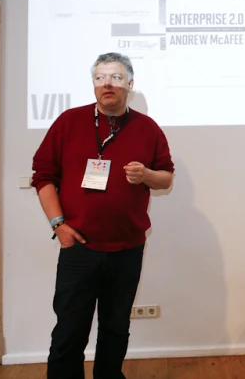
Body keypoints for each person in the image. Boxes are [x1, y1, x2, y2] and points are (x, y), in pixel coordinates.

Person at [32, 52, 174, 379]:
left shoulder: (147, 128)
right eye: (100, 78)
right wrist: (59, 225)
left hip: (127, 248)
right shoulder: (68, 122)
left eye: (116, 77)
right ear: (93, 84)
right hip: (78, 247)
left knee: (115, 328)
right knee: (70, 330)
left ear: (130, 85)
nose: (107, 84)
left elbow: (166, 177)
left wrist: (147, 176)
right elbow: (43, 176)